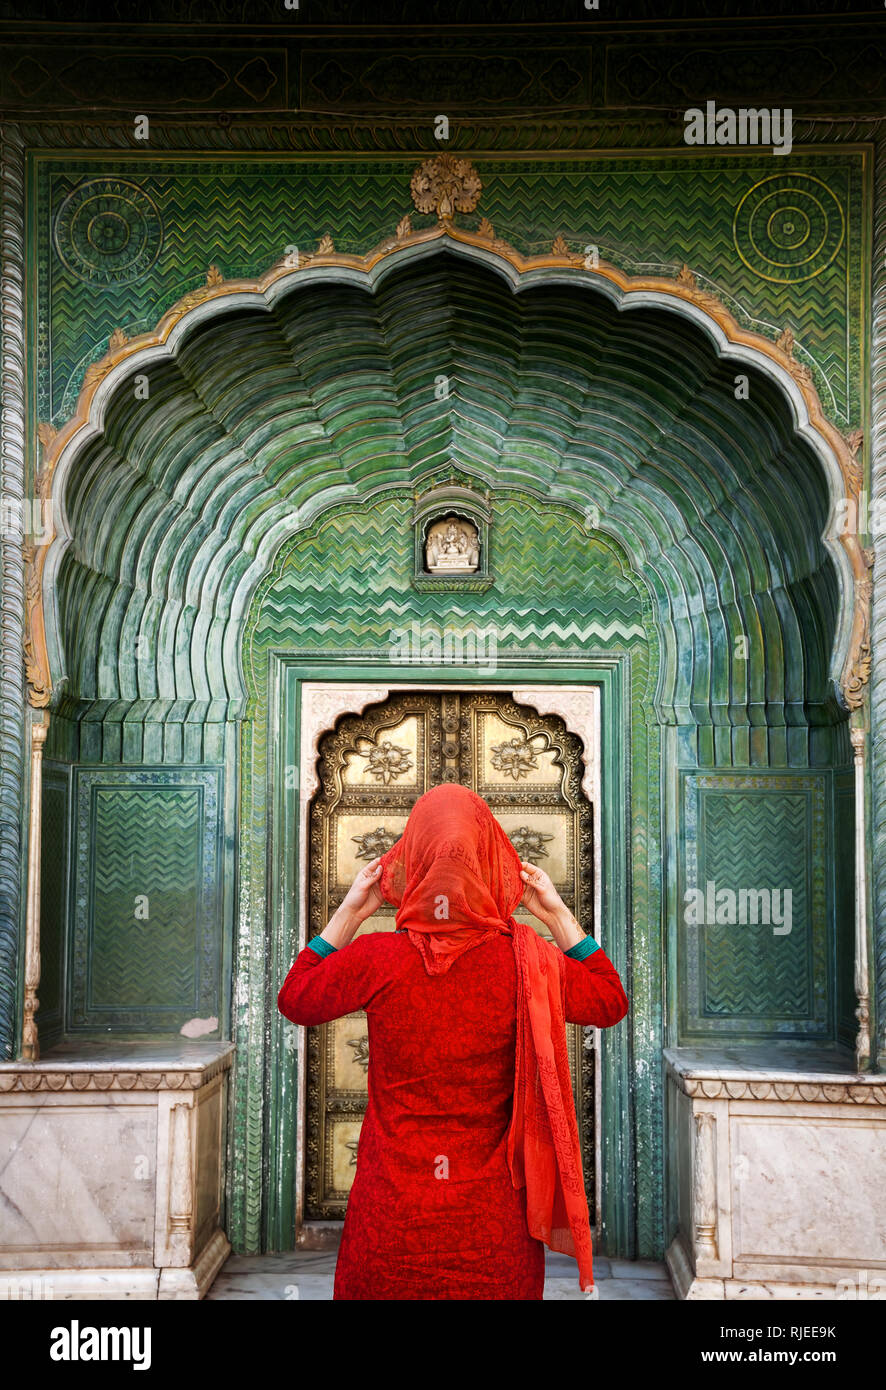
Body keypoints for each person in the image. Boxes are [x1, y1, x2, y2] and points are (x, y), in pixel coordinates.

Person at [278, 782, 628, 1300]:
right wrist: (555, 913)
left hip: (393, 1217)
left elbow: (297, 998)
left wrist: (350, 912)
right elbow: (608, 1000)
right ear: (492, 860)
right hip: (491, 1225)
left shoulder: (377, 959)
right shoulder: (527, 962)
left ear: (413, 860)